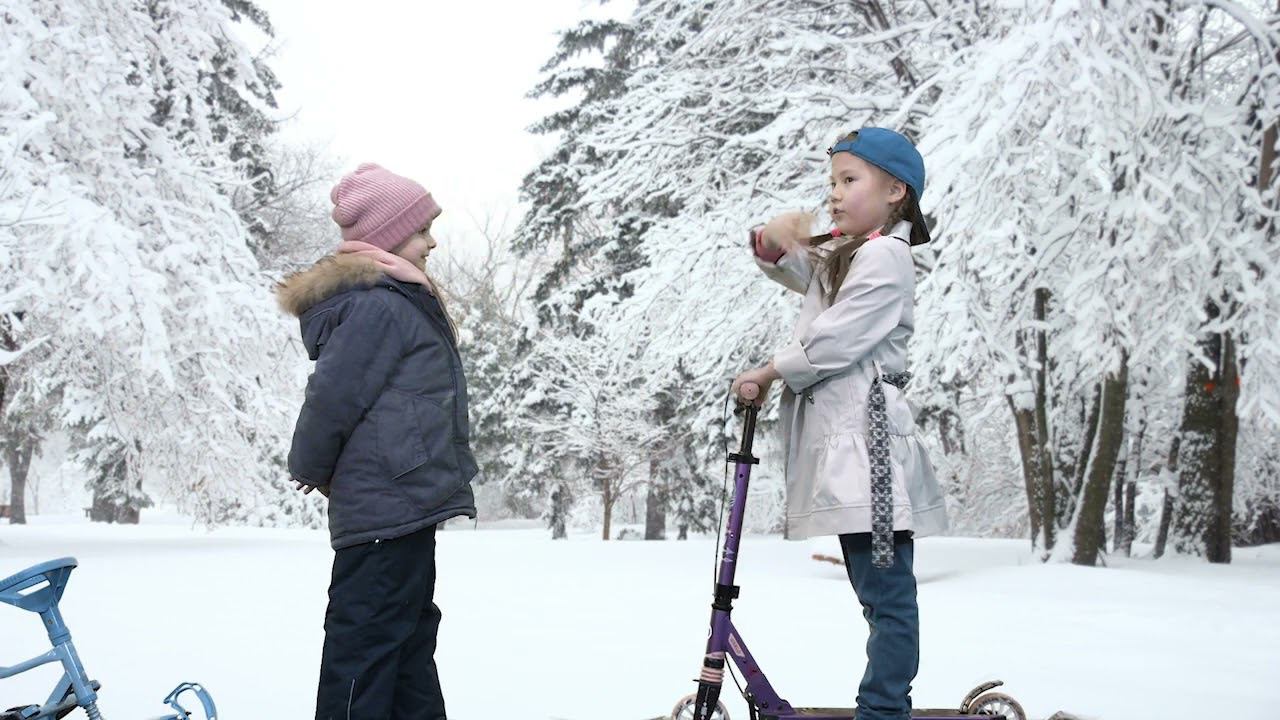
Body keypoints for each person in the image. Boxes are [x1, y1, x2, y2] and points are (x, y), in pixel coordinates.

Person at [731, 128, 949, 720]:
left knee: (888, 593)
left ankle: (883, 709)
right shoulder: (854, 251)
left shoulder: (885, 256)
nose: (834, 194)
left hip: (872, 451)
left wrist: (772, 369)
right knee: (879, 591)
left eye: (849, 180)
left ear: (895, 191)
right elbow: (804, 269)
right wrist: (773, 241)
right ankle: (883, 702)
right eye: (832, 181)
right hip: (855, 450)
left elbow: (838, 338)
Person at [276, 162, 478, 720]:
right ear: (389, 236)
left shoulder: (398, 297)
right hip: (386, 505)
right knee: (364, 648)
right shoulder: (379, 304)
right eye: (421, 230)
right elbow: (333, 396)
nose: (431, 241)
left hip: (405, 504)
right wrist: (312, 466)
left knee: (409, 643)